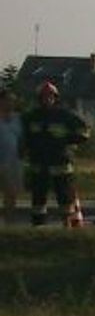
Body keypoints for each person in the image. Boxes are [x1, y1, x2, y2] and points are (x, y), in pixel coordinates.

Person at [21, 81, 90, 227]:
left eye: (50, 96)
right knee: (38, 197)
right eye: (44, 96)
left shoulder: (65, 115)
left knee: (64, 196)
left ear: (55, 98)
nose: (47, 99)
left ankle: (67, 225)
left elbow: (84, 131)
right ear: (39, 98)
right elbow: (22, 136)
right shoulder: (30, 117)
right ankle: (38, 227)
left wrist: (67, 139)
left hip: (61, 162)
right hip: (38, 163)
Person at [0, 88, 22, 224]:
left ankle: (9, 225)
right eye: (7, 100)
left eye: (13, 100)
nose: (11, 103)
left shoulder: (18, 119)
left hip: (13, 162)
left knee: (11, 195)